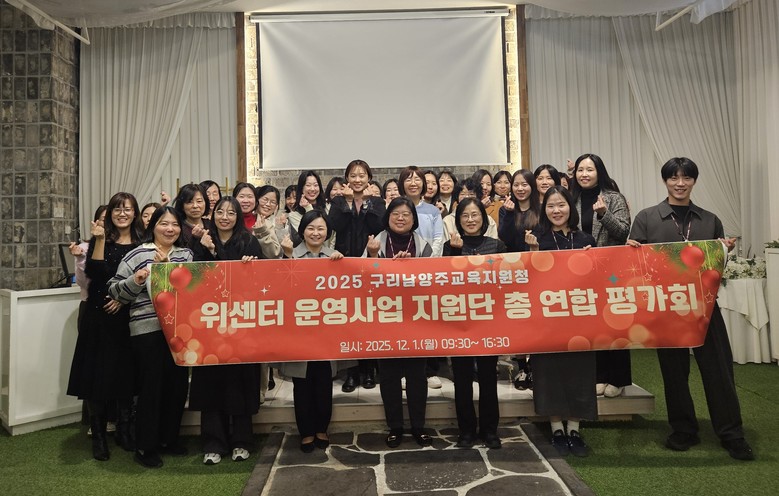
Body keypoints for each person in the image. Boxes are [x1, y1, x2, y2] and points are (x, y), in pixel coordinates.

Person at [627, 157, 754, 461]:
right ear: (665, 181)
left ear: (694, 181)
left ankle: (732, 434)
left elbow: (716, 269)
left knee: (719, 370)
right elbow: (635, 269)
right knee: (674, 372)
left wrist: (723, 252)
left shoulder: (710, 220)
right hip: (666, 309)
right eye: (674, 178)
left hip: (705, 308)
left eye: (686, 178)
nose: (680, 183)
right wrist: (631, 252)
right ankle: (683, 429)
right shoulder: (647, 218)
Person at [108, 206, 193, 468]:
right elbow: (115, 290)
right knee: (151, 388)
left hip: (180, 331)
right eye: (164, 223)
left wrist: (167, 270)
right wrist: (136, 280)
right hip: (148, 330)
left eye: (175, 224)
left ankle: (169, 439)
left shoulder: (186, 254)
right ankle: (146, 446)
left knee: (177, 387)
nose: (170, 229)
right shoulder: (136, 254)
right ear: (153, 226)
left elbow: (192, 291)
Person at [67, 194, 142, 461]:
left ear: (135, 213)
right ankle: (98, 436)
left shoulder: (142, 244)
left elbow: (145, 279)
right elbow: (96, 274)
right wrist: (98, 239)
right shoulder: (101, 240)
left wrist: (123, 298)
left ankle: (124, 430)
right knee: (96, 376)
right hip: (99, 316)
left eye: (128, 209)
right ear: (110, 213)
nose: (122, 213)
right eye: (117, 209)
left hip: (128, 316)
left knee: (126, 375)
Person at [188, 196, 262, 465]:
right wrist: (207, 250)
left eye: (231, 213)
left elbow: (259, 281)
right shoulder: (201, 241)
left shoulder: (248, 241)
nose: (225, 217)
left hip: (241, 325)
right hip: (208, 325)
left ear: (238, 217)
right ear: (213, 214)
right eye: (220, 212)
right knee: (211, 383)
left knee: (240, 383)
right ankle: (213, 442)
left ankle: (242, 441)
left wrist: (251, 266)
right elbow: (195, 279)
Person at [525, 186, 597, 457]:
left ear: (570, 208)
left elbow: (599, 278)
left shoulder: (585, 238)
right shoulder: (537, 238)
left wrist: (594, 259)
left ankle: (574, 429)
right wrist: (532, 252)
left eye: (561, 205)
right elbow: (526, 280)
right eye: (551, 206)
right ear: (544, 210)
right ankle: (556, 428)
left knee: (580, 372)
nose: (556, 210)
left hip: (580, 319)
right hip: (547, 320)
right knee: (549, 372)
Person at [364, 197, 434, 448]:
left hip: (417, 320)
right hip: (385, 321)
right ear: (388, 217)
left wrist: (410, 267)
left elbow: (432, 281)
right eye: (396, 213)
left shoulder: (423, 245)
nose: (401, 218)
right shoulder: (376, 242)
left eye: (406, 214)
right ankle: (395, 427)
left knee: (417, 377)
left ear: (414, 219)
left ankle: (418, 426)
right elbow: (362, 281)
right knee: (389, 376)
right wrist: (374, 256)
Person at [278, 210, 346, 452]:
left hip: (326, 332)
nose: (316, 233)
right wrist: (287, 258)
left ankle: (321, 428)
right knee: (302, 384)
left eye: (320, 229)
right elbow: (280, 288)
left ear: (327, 232)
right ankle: (306, 431)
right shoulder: (289, 254)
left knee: (324, 381)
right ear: (302, 231)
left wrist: (341, 265)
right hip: (299, 331)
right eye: (311, 228)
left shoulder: (335, 257)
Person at [443, 198, 506, 449]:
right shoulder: (450, 246)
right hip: (458, 322)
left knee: (489, 377)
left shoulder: (497, 245)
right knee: (462, 378)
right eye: (465, 215)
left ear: (483, 218)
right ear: (458, 220)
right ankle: (466, 430)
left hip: (488, 321)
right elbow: (444, 282)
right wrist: (455, 252)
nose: (470, 220)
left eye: (475, 214)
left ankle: (490, 430)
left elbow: (507, 280)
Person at [570, 153, 632, 398]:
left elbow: (624, 232)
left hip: (610, 272)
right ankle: (598, 375)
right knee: (591, 325)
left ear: (599, 172)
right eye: (580, 170)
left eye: (590, 169)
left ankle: (618, 378)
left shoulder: (614, 197)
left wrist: (605, 213)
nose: (584, 174)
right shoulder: (571, 198)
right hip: (581, 273)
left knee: (614, 323)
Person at [328, 159, 386, 392]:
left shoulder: (377, 201)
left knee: (369, 318)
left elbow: (377, 225)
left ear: (369, 178)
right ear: (347, 179)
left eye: (362, 175)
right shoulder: (338, 201)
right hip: (344, 264)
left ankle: (368, 369)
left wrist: (367, 204)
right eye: (353, 175)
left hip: (370, 265)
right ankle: (351, 372)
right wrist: (349, 203)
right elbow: (336, 225)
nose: (358, 179)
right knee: (349, 319)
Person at [399, 166, 443, 257]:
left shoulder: (433, 211)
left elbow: (438, 239)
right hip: (402, 258)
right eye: (408, 180)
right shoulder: (396, 209)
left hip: (428, 260)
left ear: (423, 184)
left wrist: (430, 258)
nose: (413, 183)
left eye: (417, 179)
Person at [233, 182, 281, 259]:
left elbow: (274, 254)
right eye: (241, 196)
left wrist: (262, 232)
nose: (246, 200)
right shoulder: (227, 221)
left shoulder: (266, 224)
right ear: (234, 199)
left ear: (256, 200)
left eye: (250, 197)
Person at [289, 171, 327, 238]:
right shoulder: (294, 215)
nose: (312, 189)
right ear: (301, 188)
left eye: (315, 185)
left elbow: (332, 234)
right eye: (308, 185)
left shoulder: (327, 206)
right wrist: (308, 207)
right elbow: (310, 236)